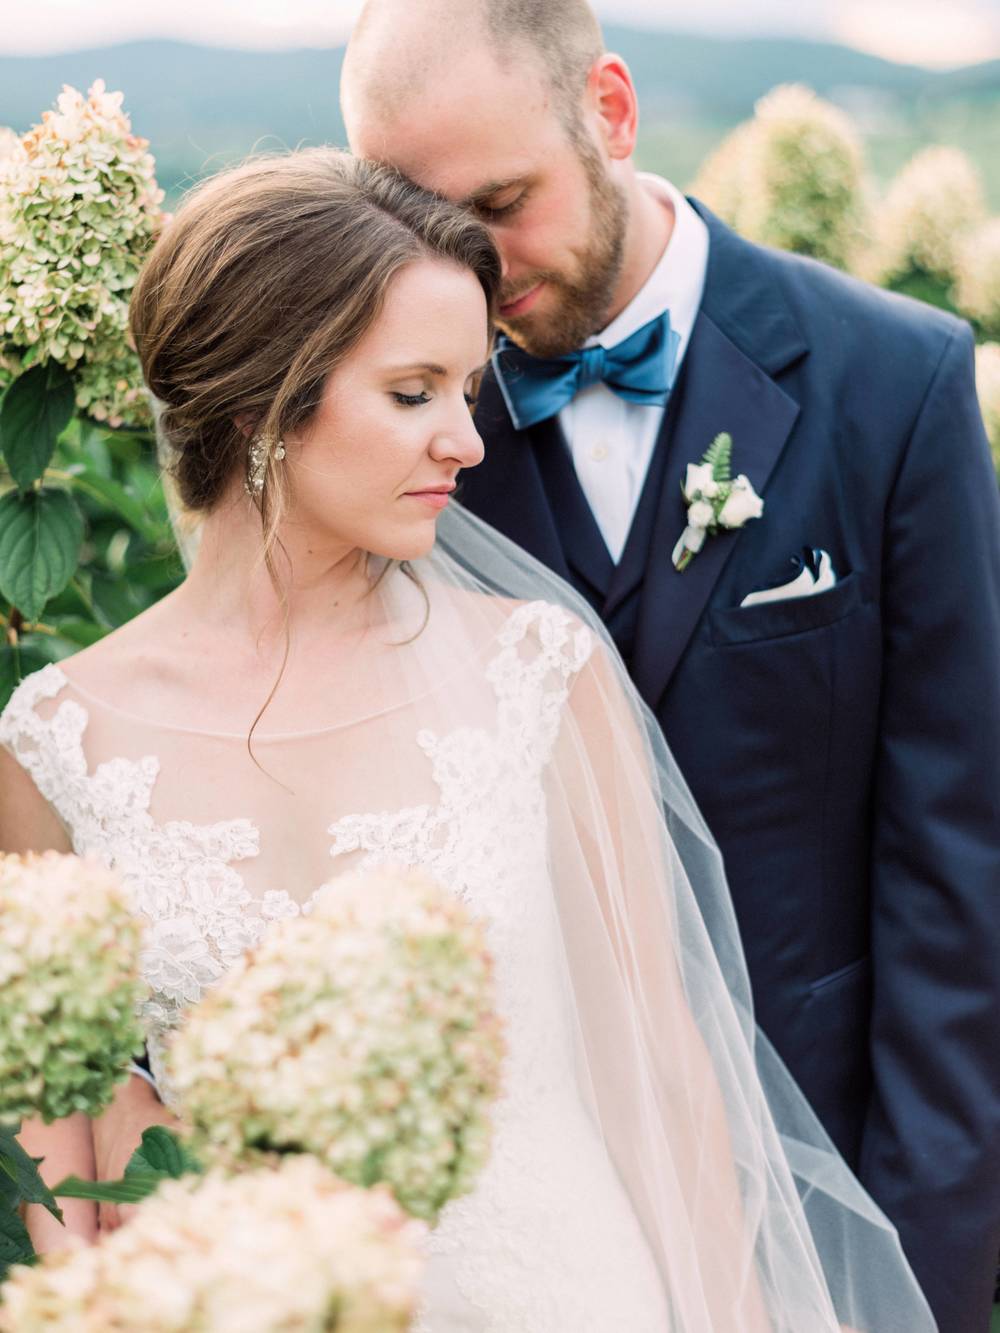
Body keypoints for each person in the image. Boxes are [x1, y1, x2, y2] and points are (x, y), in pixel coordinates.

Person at [0, 148, 935, 1331]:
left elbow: (660, 1076)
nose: (467, 441)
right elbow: (61, 1179)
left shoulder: (536, 676)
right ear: (257, 404)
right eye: (413, 393)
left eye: (468, 388)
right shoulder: (58, 740)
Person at [340, 5, 1000, 1329]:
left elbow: (958, 881)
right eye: (424, 229)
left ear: (613, 109)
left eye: (502, 203)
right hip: (537, 1224)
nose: (470, 268)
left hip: (844, 1194)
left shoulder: (897, 381)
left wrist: (917, 1277)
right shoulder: (401, 447)